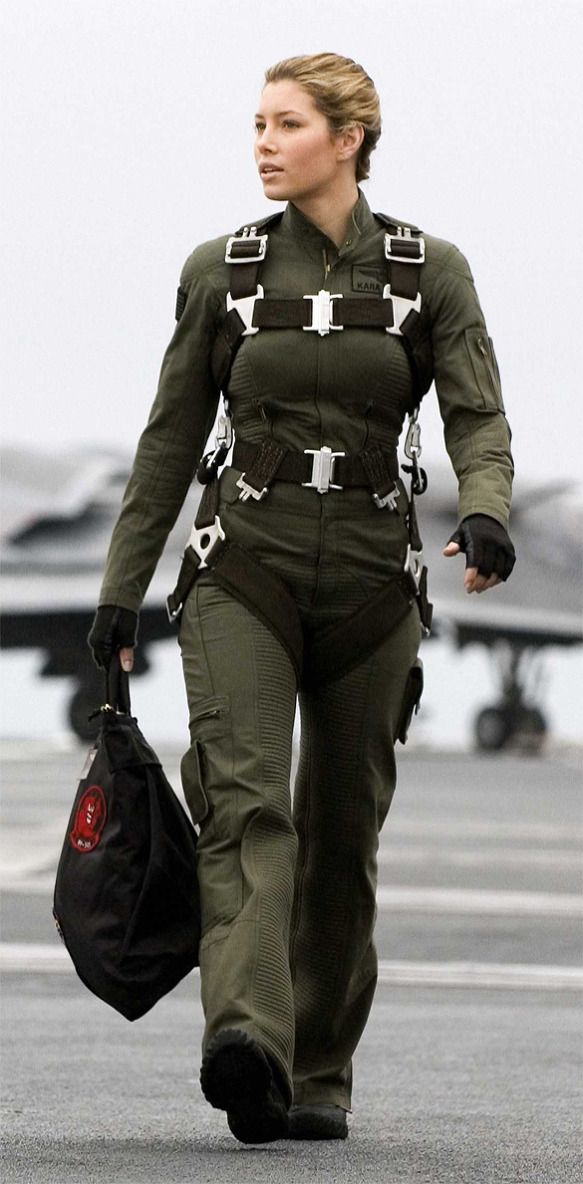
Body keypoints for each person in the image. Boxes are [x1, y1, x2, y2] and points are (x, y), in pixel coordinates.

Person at [88, 53, 515, 1144]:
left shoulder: (433, 271)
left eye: (286, 124)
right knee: (247, 807)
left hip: (375, 587)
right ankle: (247, 1042)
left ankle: (319, 1066)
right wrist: (119, 589)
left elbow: (475, 412)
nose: (263, 143)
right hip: (246, 571)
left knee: (341, 833)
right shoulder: (219, 271)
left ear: (349, 137)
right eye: (258, 124)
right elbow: (169, 438)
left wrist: (486, 510)